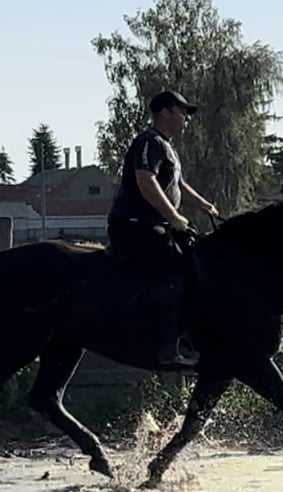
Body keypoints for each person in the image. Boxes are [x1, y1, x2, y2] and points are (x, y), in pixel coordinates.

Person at [107, 90, 219, 367]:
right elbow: (147, 182)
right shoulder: (149, 142)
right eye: (183, 112)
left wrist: (205, 206)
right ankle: (167, 344)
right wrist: (174, 217)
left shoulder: (167, 147)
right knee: (179, 265)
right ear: (166, 112)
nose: (187, 119)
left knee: (197, 262)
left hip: (155, 226)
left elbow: (178, 186)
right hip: (134, 226)